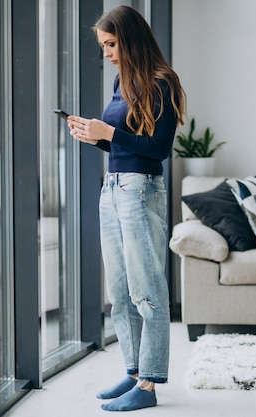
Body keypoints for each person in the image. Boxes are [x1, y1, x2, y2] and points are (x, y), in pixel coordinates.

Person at [66, 5, 186, 412]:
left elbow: (158, 150)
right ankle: (134, 372)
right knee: (119, 293)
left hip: (140, 191)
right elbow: (121, 143)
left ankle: (149, 386)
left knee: (147, 293)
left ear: (131, 39)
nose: (108, 53)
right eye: (104, 46)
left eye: (112, 44)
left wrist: (110, 132)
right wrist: (93, 137)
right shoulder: (122, 81)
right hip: (112, 188)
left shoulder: (162, 82)